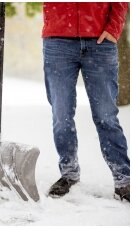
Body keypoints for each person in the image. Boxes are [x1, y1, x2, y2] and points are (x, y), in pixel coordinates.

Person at [42, 2, 130, 202]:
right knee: (61, 115)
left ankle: (123, 179)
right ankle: (69, 173)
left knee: (106, 116)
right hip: (58, 42)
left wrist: (113, 28)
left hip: (100, 41)